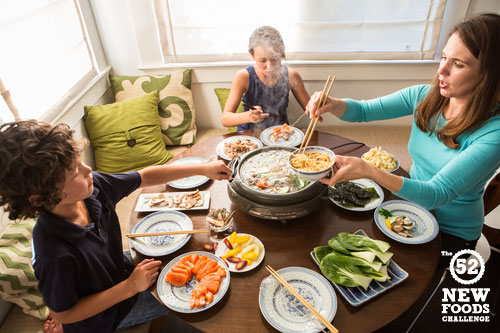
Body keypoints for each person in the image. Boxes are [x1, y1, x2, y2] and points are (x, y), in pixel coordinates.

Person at [0, 120, 232, 332]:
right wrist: (130, 287)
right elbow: (64, 313)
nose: (87, 170)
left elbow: (144, 177)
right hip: (107, 315)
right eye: (74, 173)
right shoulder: (52, 253)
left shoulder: (94, 187)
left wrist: (202, 169)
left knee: (193, 255)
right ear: (39, 199)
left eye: (80, 162)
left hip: (119, 271)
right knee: (202, 300)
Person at [306, 13, 500, 265]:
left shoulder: (494, 133)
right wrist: (333, 104)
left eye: (458, 64)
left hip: (450, 234)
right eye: (443, 57)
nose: (441, 70)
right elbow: (364, 111)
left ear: (488, 74)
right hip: (410, 206)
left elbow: (437, 194)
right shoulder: (425, 96)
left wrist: (369, 171)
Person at [220, 26, 310, 131]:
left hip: (280, 135)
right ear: (252, 55)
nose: (269, 66)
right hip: (249, 136)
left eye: (275, 59)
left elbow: (311, 111)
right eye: (262, 60)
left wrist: (317, 107)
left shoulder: (291, 76)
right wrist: (248, 116)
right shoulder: (244, 77)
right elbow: (225, 119)